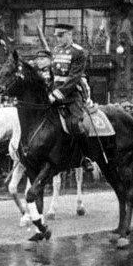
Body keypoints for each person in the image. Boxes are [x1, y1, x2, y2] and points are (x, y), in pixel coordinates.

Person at [48, 23, 94, 172]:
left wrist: (57, 94)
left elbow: (74, 78)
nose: (58, 39)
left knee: (75, 124)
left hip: (72, 94)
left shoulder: (78, 52)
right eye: (57, 36)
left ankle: (86, 156)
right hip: (54, 93)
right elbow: (53, 75)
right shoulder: (55, 51)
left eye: (61, 35)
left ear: (69, 34)